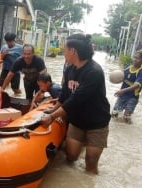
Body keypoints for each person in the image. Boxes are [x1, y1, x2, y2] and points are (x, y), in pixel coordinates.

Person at [40, 34, 111, 174]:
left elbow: (75, 99)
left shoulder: (94, 72)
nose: (63, 52)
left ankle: (89, 147)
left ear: (73, 51)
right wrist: (53, 109)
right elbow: (65, 95)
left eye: (65, 50)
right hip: (77, 121)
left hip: (96, 123)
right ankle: (83, 144)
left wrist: (52, 117)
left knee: (90, 163)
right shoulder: (69, 69)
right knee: (71, 157)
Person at [111, 50, 142, 124]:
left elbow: (136, 86)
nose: (134, 59)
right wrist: (114, 78)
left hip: (132, 97)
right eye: (134, 57)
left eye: (137, 58)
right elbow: (120, 77)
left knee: (126, 117)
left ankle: (129, 130)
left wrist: (123, 91)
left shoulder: (140, 71)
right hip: (122, 96)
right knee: (114, 114)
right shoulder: (128, 67)